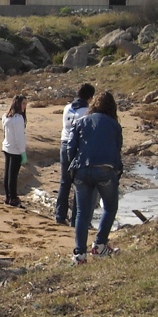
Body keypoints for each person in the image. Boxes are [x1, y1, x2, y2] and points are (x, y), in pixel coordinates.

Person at [67, 92, 123, 265]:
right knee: (110, 207)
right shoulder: (114, 125)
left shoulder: (81, 121)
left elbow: (71, 147)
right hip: (105, 169)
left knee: (83, 213)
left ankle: (80, 254)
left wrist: (74, 163)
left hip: (82, 169)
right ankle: (99, 244)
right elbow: (117, 148)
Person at [55, 83, 96, 225]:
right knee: (79, 183)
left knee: (64, 182)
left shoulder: (67, 108)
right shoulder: (87, 112)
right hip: (78, 147)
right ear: (90, 97)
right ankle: (76, 219)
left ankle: (60, 216)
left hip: (64, 143)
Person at [1, 95, 28, 207]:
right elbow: (19, 138)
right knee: (12, 175)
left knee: (8, 173)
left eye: (26, 104)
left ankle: (8, 196)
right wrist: (23, 152)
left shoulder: (6, 116)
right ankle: (13, 198)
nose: (25, 106)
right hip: (15, 150)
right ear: (17, 104)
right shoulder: (18, 119)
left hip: (7, 147)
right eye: (23, 104)